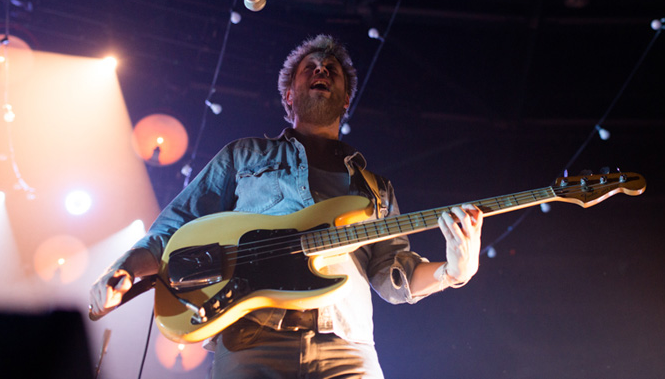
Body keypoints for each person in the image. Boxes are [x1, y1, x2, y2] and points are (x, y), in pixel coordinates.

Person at [89, 34, 483, 378]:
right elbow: (173, 229)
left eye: (331, 69)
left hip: (347, 345)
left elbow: (393, 276)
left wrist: (454, 271)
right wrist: (123, 269)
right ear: (289, 95)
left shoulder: (376, 189)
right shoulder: (244, 156)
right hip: (251, 338)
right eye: (310, 67)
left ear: (346, 100)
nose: (321, 69)